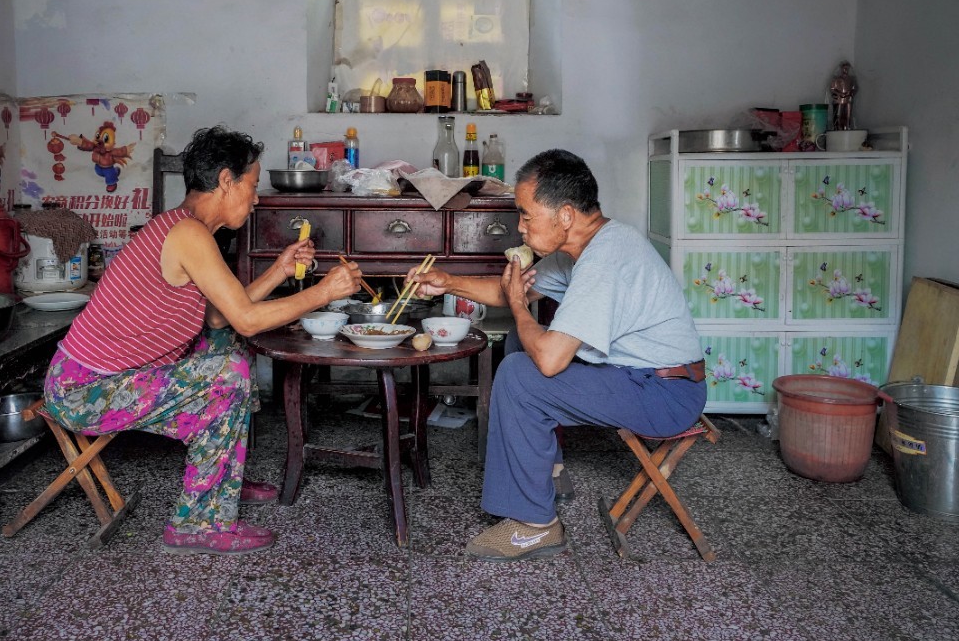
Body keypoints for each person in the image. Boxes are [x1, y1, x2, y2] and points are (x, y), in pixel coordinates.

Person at [42, 125, 364, 555]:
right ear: (227, 180)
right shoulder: (188, 234)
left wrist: (280, 271)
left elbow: (219, 316)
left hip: (108, 379)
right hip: (82, 390)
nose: (256, 198)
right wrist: (324, 292)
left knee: (224, 346)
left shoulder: (188, 229)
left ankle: (222, 472)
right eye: (252, 186)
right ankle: (198, 522)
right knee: (227, 374)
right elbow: (247, 319)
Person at [405, 148, 705, 561]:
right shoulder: (582, 247)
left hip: (665, 394)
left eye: (527, 216)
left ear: (564, 215)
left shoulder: (604, 260)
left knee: (520, 375)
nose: (521, 227)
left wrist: (517, 305)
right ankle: (549, 470)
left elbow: (547, 358)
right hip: (641, 375)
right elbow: (514, 292)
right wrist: (447, 282)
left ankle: (535, 525)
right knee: (520, 341)